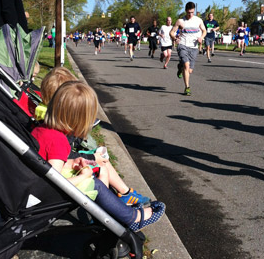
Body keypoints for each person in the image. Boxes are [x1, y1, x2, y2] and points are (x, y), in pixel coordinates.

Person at [31, 81, 165, 231]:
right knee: (97, 184)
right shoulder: (59, 141)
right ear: (79, 121)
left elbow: (48, 163)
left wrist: (71, 162)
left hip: (34, 185)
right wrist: (83, 176)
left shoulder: (42, 129)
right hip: (46, 195)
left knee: (101, 170)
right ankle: (131, 218)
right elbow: (54, 181)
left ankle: (109, 214)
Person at [35, 67, 151, 206]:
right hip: (65, 170)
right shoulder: (57, 131)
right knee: (102, 165)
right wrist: (91, 158)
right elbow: (58, 162)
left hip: (64, 160)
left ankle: (123, 194)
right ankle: (109, 205)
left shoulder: (46, 117)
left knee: (102, 162)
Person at [169, 2, 206, 96]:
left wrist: (201, 37)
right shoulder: (180, 21)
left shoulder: (198, 20)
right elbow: (171, 32)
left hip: (193, 47)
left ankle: (180, 67)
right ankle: (187, 87)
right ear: (186, 11)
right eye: (189, 12)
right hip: (183, 45)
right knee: (186, 65)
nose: (190, 14)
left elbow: (204, 30)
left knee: (189, 70)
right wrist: (175, 38)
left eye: (192, 12)